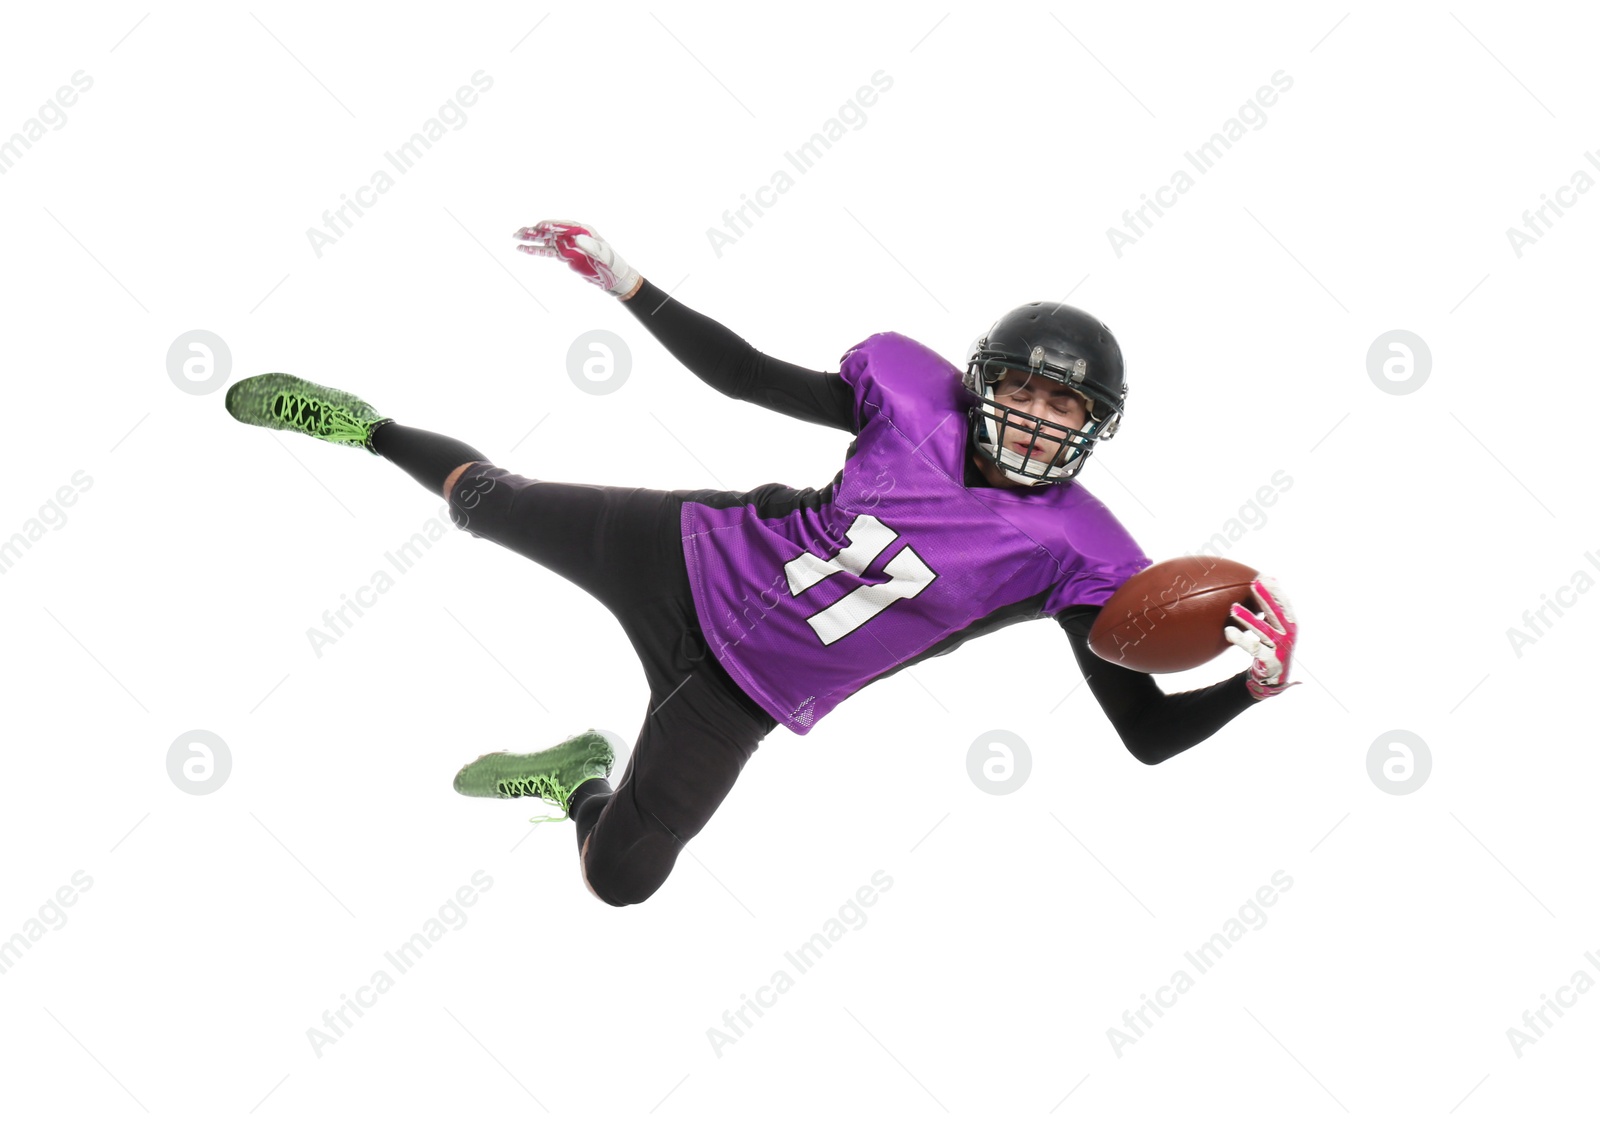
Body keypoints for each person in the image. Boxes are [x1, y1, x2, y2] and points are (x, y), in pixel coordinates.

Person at [223, 219, 1300, 908]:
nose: (1033, 414)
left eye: (1061, 403)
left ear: (1093, 425)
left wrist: (1249, 686)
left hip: (746, 694)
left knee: (620, 881)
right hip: (694, 555)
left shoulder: (1079, 551)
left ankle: (571, 777)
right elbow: (743, 375)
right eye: (1021, 387)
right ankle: (364, 427)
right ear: (983, 381)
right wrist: (631, 285)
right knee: (487, 505)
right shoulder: (907, 399)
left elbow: (1146, 733)